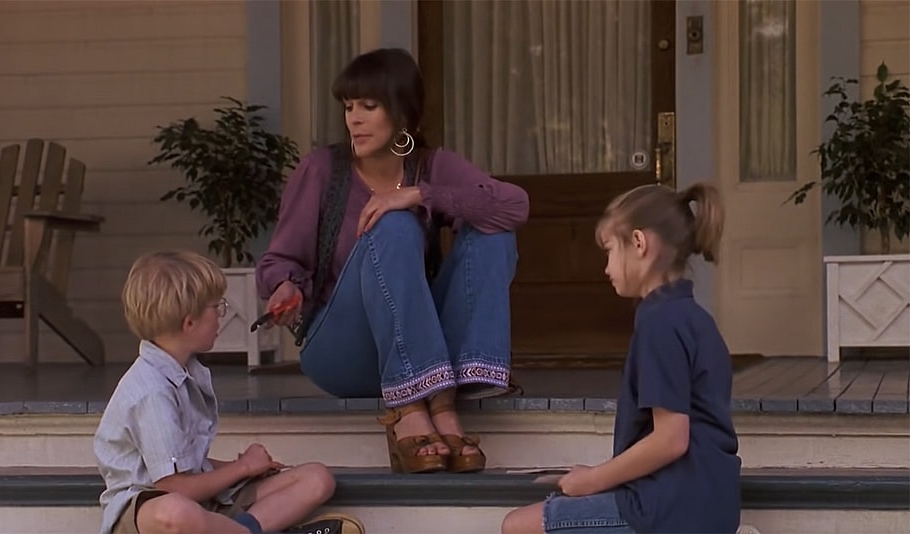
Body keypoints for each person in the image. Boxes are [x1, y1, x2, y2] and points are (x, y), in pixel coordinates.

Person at [256, 47, 529, 474]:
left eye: (369, 106)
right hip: (343, 351)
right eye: (349, 107)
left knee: (493, 228)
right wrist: (285, 286)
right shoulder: (322, 169)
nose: (354, 119)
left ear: (402, 112)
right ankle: (415, 409)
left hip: (425, 347)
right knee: (395, 224)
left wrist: (421, 193)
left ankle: (458, 385)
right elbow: (281, 258)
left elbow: (515, 206)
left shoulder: (432, 166)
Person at [501, 183, 741, 534]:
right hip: (709, 502)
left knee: (517, 526)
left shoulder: (659, 323)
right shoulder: (693, 318)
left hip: (673, 509)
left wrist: (595, 480)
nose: (606, 268)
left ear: (639, 244)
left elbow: (671, 439)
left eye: (611, 251)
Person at [93, 250, 364, 534]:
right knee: (175, 512)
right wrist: (243, 467)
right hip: (151, 509)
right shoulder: (152, 391)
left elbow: (188, 464)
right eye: (216, 308)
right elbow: (173, 487)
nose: (221, 316)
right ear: (189, 323)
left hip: (202, 501)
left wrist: (244, 468)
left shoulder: (186, 373)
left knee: (316, 478)